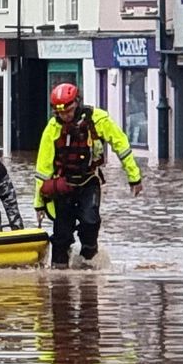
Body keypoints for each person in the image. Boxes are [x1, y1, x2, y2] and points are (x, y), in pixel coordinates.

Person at [35, 82, 143, 267]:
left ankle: (88, 264)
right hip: (63, 185)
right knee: (61, 235)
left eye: (68, 111)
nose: (65, 116)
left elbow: (121, 145)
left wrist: (134, 177)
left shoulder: (98, 119)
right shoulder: (52, 129)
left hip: (89, 181)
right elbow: (43, 169)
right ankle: (59, 274)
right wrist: (39, 204)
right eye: (60, 113)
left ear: (77, 102)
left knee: (90, 222)